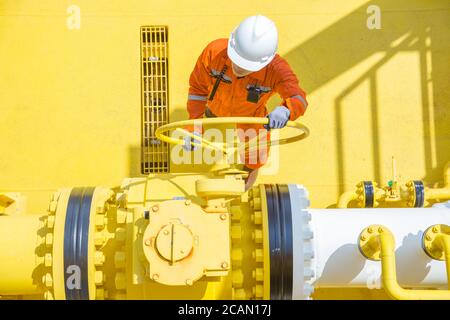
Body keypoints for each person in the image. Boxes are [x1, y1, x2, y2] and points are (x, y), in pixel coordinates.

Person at [184, 15, 308, 189]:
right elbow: (197, 90)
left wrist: (287, 110)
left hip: (249, 115)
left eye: (247, 65)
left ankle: (249, 171)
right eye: (237, 59)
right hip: (212, 107)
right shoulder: (213, 52)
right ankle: (210, 116)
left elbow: (298, 97)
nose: (239, 68)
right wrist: (194, 128)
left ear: (267, 61)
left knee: (256, 153)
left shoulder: (277, 70)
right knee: (201, 122)